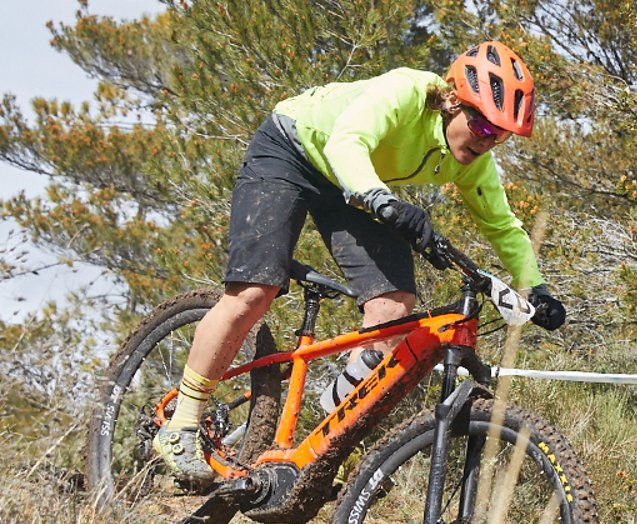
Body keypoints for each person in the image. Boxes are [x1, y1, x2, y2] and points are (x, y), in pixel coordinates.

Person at [153, 40, 565, 484]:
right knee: (255, 291)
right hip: (294, 148)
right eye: (482, 126)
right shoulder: (405, 91)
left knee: (393, 311)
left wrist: (536, 289)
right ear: (451, 100)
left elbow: (502, 226)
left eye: (499, 136)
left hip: (351, 180)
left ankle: (329, 440)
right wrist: (383, 202)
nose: (487, 142)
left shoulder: (471, 163)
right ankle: (182, 423)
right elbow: (348, 142)